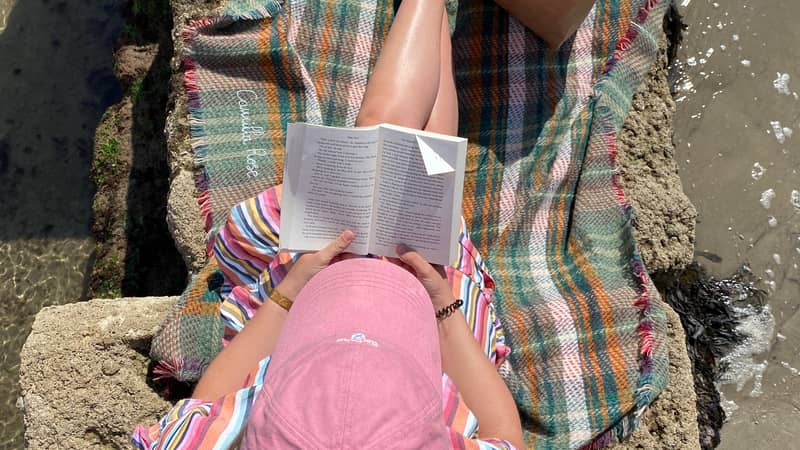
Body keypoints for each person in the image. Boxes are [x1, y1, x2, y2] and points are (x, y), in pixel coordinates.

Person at [133, 0, 524, 448]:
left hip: (314, 282)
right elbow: (504, 435)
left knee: (413, 159)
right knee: (395, 147)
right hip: (431, 309)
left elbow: (209, 400)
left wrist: (290, 291)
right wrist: (441, 304)